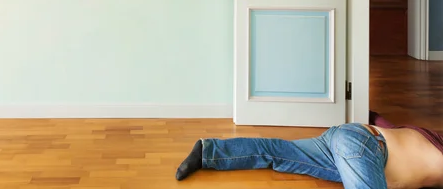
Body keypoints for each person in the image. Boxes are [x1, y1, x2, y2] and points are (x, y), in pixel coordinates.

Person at [175, 111, 443, 189]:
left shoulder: (429, 140)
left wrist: (374, 116)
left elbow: (388, 123)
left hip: (346, 146)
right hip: (366, 145)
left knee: (276, 152)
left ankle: (208, 151)